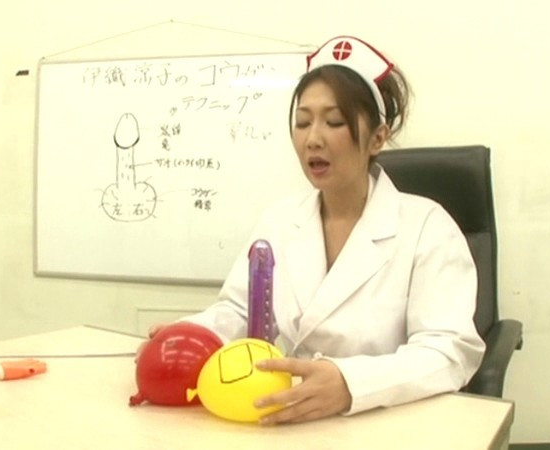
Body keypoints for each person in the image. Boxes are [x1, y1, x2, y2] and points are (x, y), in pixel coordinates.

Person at [139, 35, 485, 425]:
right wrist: (190, 336)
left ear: (377, 138)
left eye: (334, 122)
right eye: (302, 122)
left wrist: (351, 384)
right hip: (288, 413)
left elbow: (448, 350)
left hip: (384, 420)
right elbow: (240, 310)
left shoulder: (427, 227)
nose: (312, 139)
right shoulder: (280, 220)